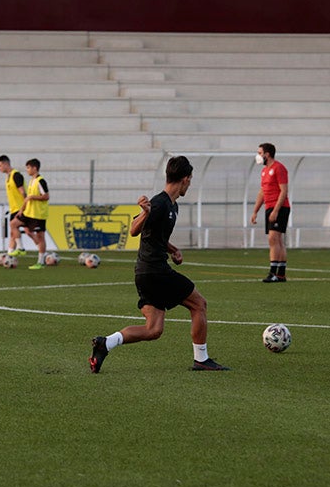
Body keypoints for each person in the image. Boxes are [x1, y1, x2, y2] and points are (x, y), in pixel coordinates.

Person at [90, 155, 229, 373]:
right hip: (155, 271)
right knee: (199, 304)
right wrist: (145, 212)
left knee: (153, 330)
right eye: (190, 179)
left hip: (145, 272)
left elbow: (156, 237)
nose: (190, 184)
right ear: (184, 179)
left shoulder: (172, 206)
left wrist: (173, 250)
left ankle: (105, 343)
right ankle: (201, 359)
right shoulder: (159, 202)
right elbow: (134, 230)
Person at [251, 142, 291, 282]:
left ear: (267, 154)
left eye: (260, 153)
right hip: (270, 207)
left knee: (273, 238)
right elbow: (262, 192)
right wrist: (255, 211)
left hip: (279, 207)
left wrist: (276, 210)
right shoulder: (264, 171)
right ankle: (281, 274)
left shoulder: (279, 168)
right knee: (277, 240)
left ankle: (273, 272)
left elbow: (284, 191)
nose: (258, 156)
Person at [9, 158, 50, 269]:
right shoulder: (32, 181)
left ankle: (41, 262)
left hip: (38, 215)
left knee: (40, 237)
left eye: (28, 167)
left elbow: (46, 196)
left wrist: (33, 197)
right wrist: (22, 210)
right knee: (13, 224)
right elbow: (27, 198)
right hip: (28, 213)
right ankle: (21, 248)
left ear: (34, 168)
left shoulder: (40, 180)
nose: (27, 170)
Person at [0, 155, 26, 256]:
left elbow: (23, 192)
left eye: (0, 165)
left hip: (21, 208)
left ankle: (21, 248)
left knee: (16, 227)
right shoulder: (8, 177)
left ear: (6, 164)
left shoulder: (16, 175)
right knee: (13, 232)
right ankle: (9, 254)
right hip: (14, 209)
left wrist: (24, 207)